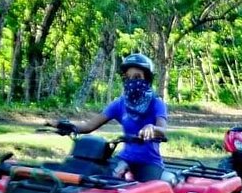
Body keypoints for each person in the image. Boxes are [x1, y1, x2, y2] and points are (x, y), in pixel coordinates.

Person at [48, 53, 167, 181]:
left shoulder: (156, 103)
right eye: (128, 78)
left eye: (137, 77)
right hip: (124, 158)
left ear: (147, 79)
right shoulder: (120, 104)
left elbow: (162, 130)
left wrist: (152, 128)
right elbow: (89, 126)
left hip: (149, 162)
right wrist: (65, 125)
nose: (132, 81)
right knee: (99, 181)